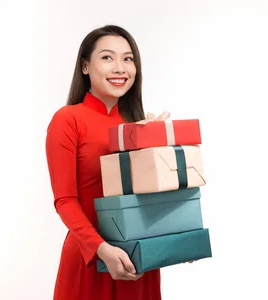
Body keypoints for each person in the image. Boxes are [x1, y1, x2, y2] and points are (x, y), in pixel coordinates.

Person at [45, 25, 168, 300]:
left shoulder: (139, 125)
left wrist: (176, 239)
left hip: (137, 259)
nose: (120, 68)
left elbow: (154, 199)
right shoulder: (67, 120)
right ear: (85, 66)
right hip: (91, 257)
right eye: (107, 57)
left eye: (128, 58)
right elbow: (64, 200)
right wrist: (102, 249)